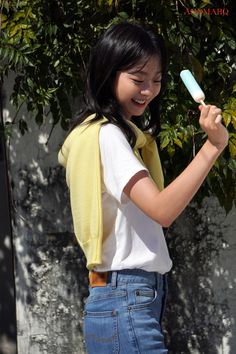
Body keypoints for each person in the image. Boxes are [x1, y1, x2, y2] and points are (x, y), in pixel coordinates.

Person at [58, 22, 228, 354]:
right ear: (109, 73)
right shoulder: (108, 136)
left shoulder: (107, 134)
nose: (148, 90)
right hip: (127, 300)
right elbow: (163, 210)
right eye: (138, 79)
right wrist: (212, 147)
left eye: (157, 80)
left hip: (126, 299)